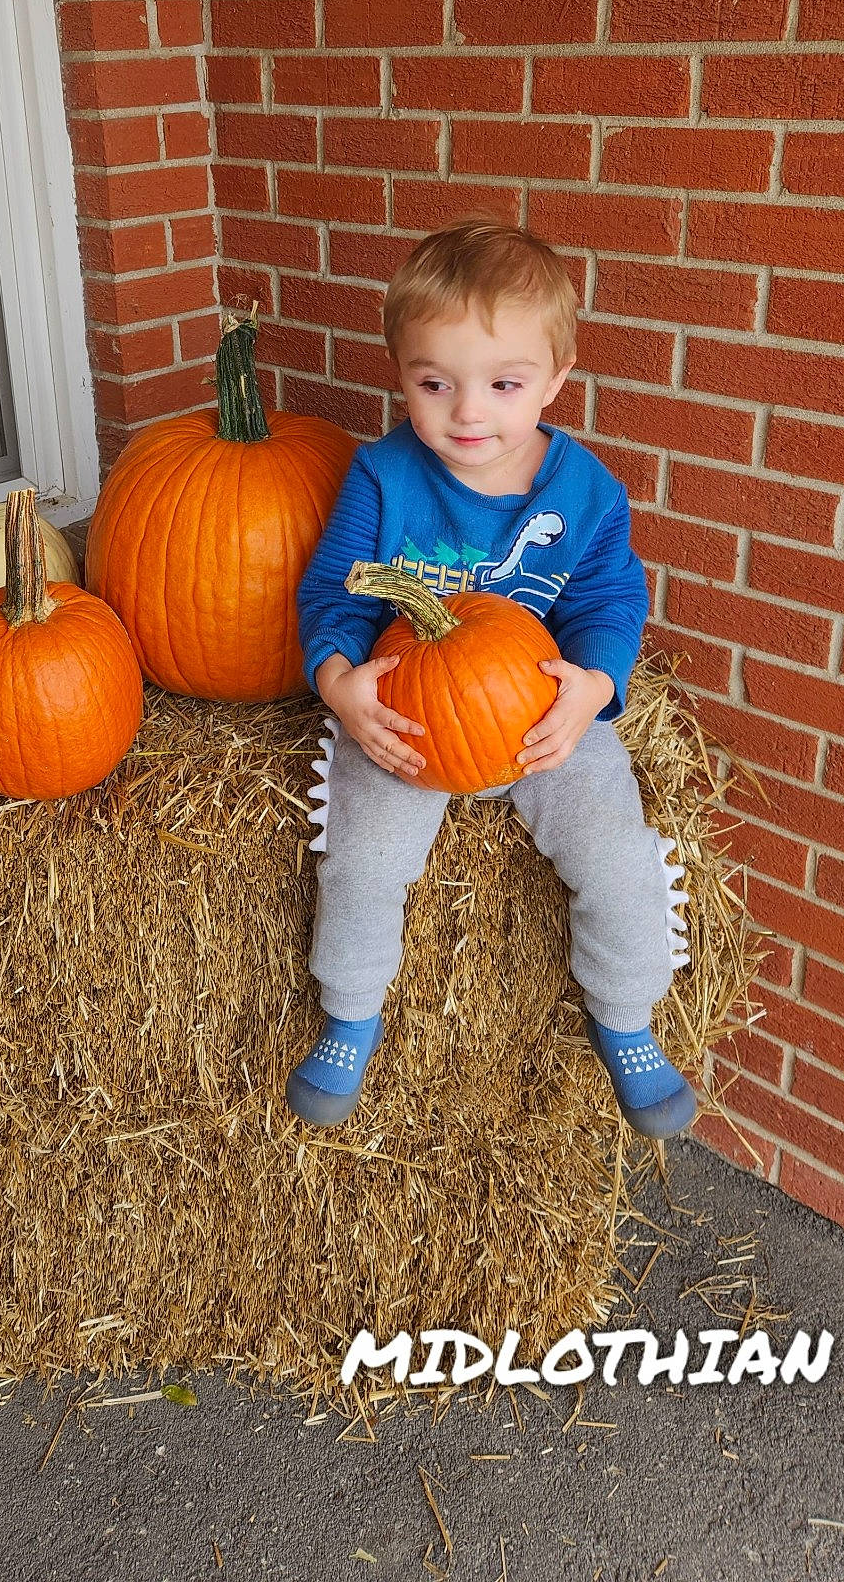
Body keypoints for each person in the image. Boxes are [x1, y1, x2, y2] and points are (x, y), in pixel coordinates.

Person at [289, 218, 695, 1140]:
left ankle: (626, 1016)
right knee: (361, 859)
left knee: (618, 856)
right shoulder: (385, 477)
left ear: (557, 378)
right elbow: (334, 590)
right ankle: (351, 1009)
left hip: (539, 712)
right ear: (401, 375)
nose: (467, 414)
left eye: (504, 385)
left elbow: (607, 599)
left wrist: (593, 686)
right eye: (435, 385)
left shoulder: (584, 492)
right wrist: (341, 682)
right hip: (407, 716)